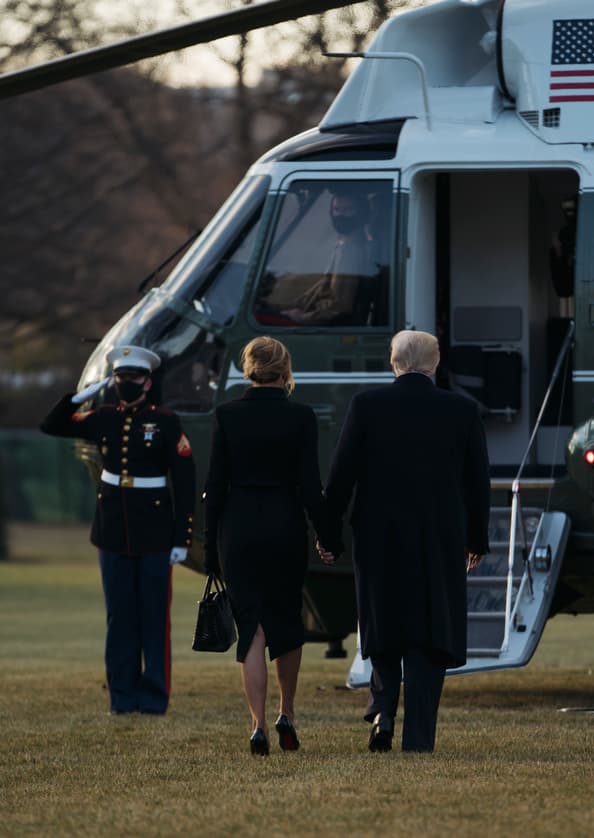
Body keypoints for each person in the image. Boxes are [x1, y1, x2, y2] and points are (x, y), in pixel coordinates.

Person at [323, 330, 490, 753]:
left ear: (393, 362)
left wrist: (328, 535)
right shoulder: (462, 410)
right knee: (430, 629)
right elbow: (477, 483)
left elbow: (341, 476)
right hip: (439, 536)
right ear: (436, 364)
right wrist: (477, 538)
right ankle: (418, 736)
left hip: (378, 533)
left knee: (384, 620)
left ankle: (382, 708)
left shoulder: (366, 405)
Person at [40, 345, 196, 715]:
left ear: (147, 381)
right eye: (121, 377)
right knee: (119, 618)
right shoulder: (104, 417)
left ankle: (153, 697)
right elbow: (52, 426)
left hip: (155, 532)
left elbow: (185, 482)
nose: (127, 383)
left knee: (153, 617)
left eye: (134, 377)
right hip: (112, 531)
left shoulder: (165, 421)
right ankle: (121, 697)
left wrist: (181, 538)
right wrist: (76, 398)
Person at [203, 336, 337, 756]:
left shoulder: (226, 415)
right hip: (284, 528)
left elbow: (215, 487)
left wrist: (209, 549)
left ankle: (257, 725)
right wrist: (328, 536)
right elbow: (311, 486)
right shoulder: (301, 416)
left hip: (238, 531)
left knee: (253, 630)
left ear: (249, 369)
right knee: (286, 622)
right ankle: (287, 712)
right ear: (285, 370)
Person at [279, 192, 376, 326]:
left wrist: (303, 318)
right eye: (337, 209)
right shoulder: (346, 246)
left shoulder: (350, 250)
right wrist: (288, 307)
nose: (341, 215)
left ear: (361, 213)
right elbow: (322, 288)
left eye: (348, 210)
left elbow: (339, 306)